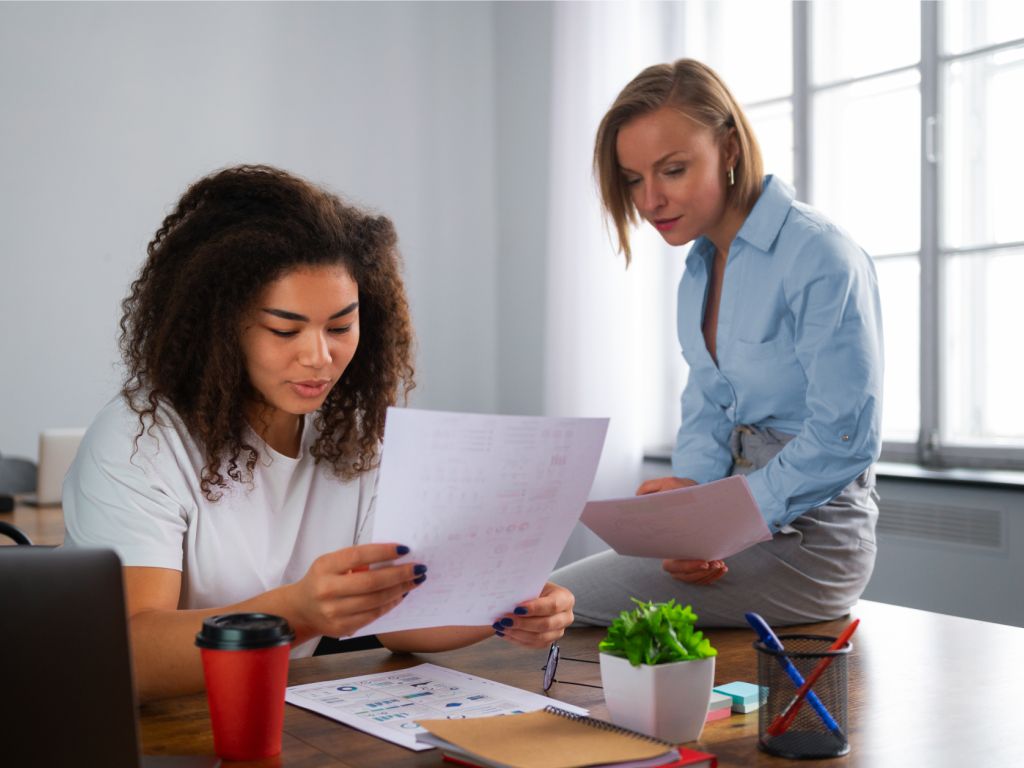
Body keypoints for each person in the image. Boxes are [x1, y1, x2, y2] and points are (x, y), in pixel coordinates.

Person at [63, 165, 575, 701]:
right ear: (220, 325)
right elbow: (131, 652)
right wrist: (296, 612)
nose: (319, 356)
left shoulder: (351, 440)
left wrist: (506, 606)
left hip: (278, 715)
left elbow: (400, 619)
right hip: (148, 729)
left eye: (340, 326)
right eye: (285, 330)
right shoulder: (140, 441)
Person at [552, 59, 883, 628]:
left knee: (549, 602)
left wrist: (728, 521)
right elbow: (707, 411)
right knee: (553, 603)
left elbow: (845, 437)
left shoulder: (819, 254)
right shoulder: (700, 270)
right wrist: (689, 517)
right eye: (633, 179)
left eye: (673, 170)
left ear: (729, 148)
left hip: (813, 543)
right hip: (732, 532)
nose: (650, 199)